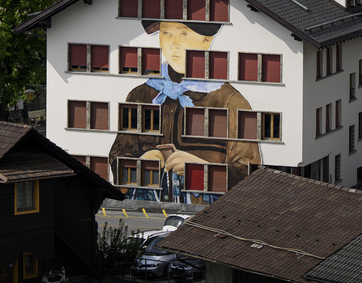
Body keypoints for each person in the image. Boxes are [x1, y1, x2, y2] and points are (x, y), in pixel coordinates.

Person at [108, 15, 260, 201]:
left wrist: (202, 172)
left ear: (207, 39)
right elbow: (118, 155)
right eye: (166, 33)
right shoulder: (140, 95)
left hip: (207, 216)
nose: (174, 43)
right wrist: (141, 165)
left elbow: (249, 173)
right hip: (146, 212)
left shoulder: (230, 101)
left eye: (184, 33)